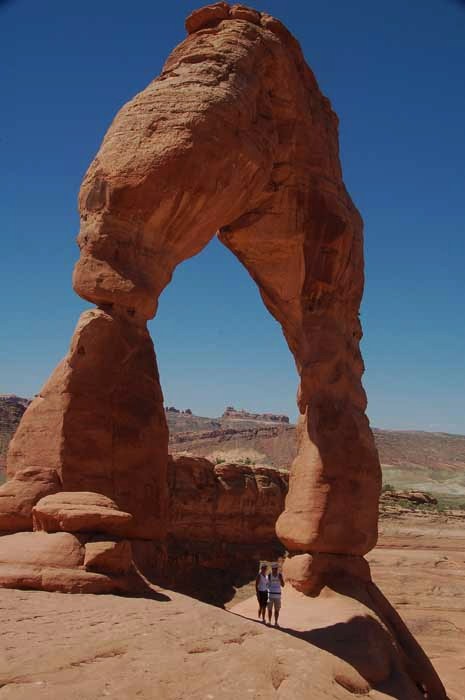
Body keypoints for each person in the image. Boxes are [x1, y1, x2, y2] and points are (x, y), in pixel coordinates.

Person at [267, 562, 284, 627]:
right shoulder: (269, 575)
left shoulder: (279, 575)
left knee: (277, 610)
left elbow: (283, 585)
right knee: (269, 609)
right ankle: (269, 621)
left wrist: (280, 579)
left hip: (277, 595)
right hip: (270, 594)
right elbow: (268, 585)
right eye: (274, 568)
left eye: (276, 568)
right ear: (272, 569)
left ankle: (276, 622)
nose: (275, 569)